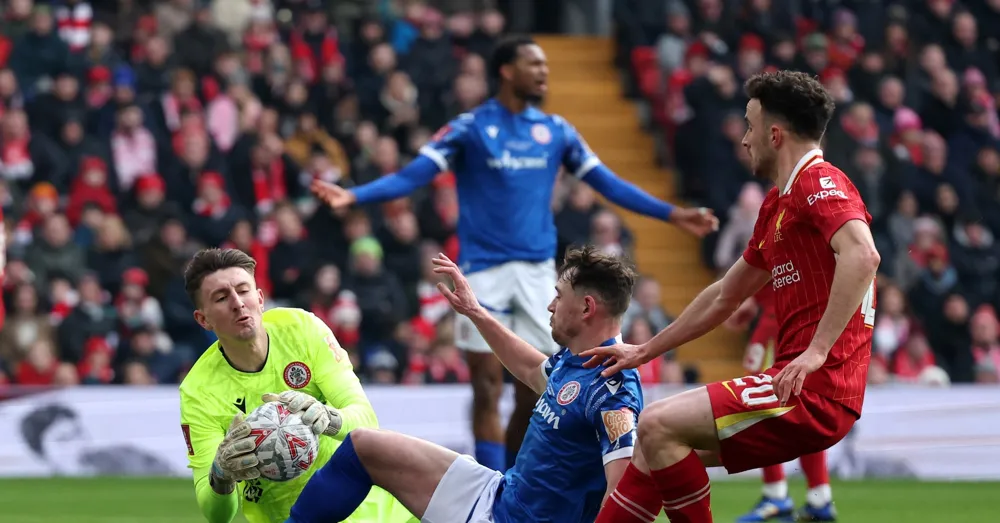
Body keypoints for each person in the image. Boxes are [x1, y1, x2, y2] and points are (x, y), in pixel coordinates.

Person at [310, 35, 717, 472]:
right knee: (485, 387)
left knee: (539, 388)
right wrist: (356, 197)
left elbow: (608, 183)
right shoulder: (470, 128)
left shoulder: (556, 130)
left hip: (540, 277)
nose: (544, 71)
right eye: (534, 63)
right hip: (482, 274)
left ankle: (514, 477)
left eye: (545, 65)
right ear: (506, 70)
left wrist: (672, 214)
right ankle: (491, 484)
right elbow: (415, 174)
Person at [583, 70, 880, 523]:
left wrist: (816, 352)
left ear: (775, 135)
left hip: (815, 388)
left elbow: (863, 256)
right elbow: (725, 295)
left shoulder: (819, 183)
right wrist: (645, 350)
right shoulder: (778, 203)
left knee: (657, 423)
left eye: (749, 126)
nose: (744, 139)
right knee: (653, 447)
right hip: (799, 383)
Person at [283, 247, 644, 523]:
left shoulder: (613, 388)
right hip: (501, 494)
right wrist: (476, 311)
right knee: (364, 445)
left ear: (586, 307)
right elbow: (533, 369)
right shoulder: (576, 358)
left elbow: (624, 491)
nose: (549, 306)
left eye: (559, 295)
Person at [177, 248, 417, 523]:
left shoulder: (302, 329)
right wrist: (221, 474)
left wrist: (329, 418)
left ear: (260, 298)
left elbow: (366, 420)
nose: (237, 303)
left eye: (243, 291)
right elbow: (217, 514)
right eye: (221, 297)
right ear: (203, 319)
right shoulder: (198, 391)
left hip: (374, 511)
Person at [727, 286, 837, 522]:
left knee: (760, 403)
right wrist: (755, 297)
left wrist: (749, 294)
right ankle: (820, 498)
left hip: (779, 320)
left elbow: (772, 257)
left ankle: (776, 494)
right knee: (803, 405)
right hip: (801, 320)